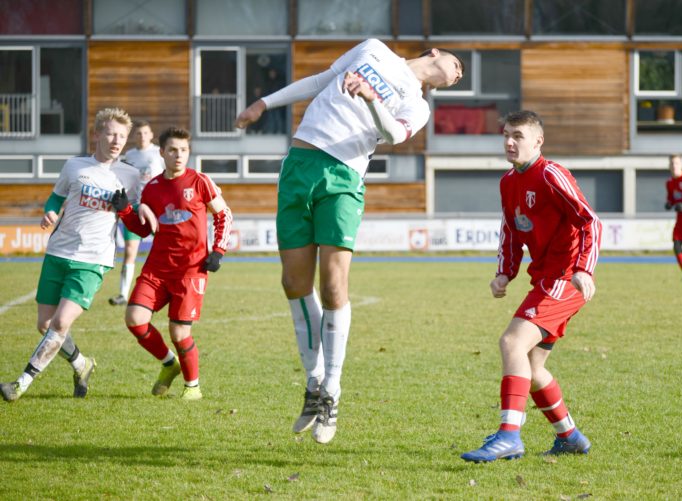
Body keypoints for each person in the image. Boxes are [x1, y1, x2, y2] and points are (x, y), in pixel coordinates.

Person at [235, 39, 464, 444]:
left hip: (343, 176)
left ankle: (332, 391)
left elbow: (392, 134)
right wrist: (264, 104)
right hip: (299, 164)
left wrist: (374, 99)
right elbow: (322, 79)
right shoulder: (373, 48)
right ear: (434, 53)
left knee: (334, 285)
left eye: (461, 75)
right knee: (293, 284)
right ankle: (314, 382)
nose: (459, 72)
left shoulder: (419, 104)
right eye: (457, 62)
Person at [461, 111, 601, 462]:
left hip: (563, 278)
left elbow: (590, 222)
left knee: (511, 341)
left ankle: (509, 434)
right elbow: (511, 229)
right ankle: (569, 436)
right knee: (533, 367)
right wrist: (504, 273)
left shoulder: (551, 174)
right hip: (544, 279)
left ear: (538, 141)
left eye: (518, 135)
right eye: (506, 134)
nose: (509, 141)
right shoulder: (508, 182)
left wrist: (584, 269)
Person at [1, 108, 140, 402]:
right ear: (97, 134)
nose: (117, 141)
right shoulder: (74, 166)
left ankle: (20, 384)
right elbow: (55, 197)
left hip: (93, 260)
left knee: (61, 324)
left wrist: (127, 207)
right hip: (58, 252)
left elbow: (136, 220)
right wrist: (50, 211)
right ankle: (82, 364)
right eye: (112, 133)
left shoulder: (130, 175)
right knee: (45, 324)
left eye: (123, 136)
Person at [112, 127, 232, 401]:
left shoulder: (200, 181)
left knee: (179, 332)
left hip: (190, 270)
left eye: (184, 150)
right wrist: (125, 210)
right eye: (173, 150)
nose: (179, 155)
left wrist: (218, 250)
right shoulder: (152, 188)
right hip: (156, 268)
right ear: (162, 152)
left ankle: (193, 387)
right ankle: (169, 364)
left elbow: (224, 214)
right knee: (135, 319)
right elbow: (143, 230)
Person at [109, 119, 165, 306]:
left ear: (151, 135)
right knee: (130, 251)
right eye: (138, 133)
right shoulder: (129, 156)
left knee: (164, 248)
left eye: (145, 133)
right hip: (134, 207)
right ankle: (123, 294)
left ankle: (165, 288)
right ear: (134, 137)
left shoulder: (159, 153)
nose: (142, 136)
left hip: (155, 208)